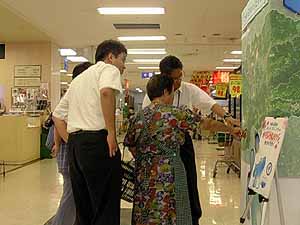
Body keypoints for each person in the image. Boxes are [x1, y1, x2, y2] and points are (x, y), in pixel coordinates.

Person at [125, 75, 243, 225]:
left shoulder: (137, 117)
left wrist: (149, 159)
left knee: (145, 213)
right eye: (173, 92)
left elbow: (130, 144)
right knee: (173, 213)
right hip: (171, 176)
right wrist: (230, 129)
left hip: (144, 177)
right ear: (166, 92)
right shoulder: (177, 114)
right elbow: (207, 125)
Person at [53, 39, 127, 225]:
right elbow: (106, 93)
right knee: (105, 205)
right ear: (110, 57)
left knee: (84, 209)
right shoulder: (108, 69)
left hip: (77, 149)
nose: (123, 66)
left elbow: (57, 116)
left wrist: (72, 142)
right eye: (122, 60)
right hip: (98, 143)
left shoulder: (79, 79)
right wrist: (111, 132)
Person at [44, 62, 93, 225]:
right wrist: (71, 145)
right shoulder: (73, 96)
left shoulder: (77, 96)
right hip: (70, 157)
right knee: (70, 196)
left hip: (72, 156)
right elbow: (58, 120)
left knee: (73, 196)